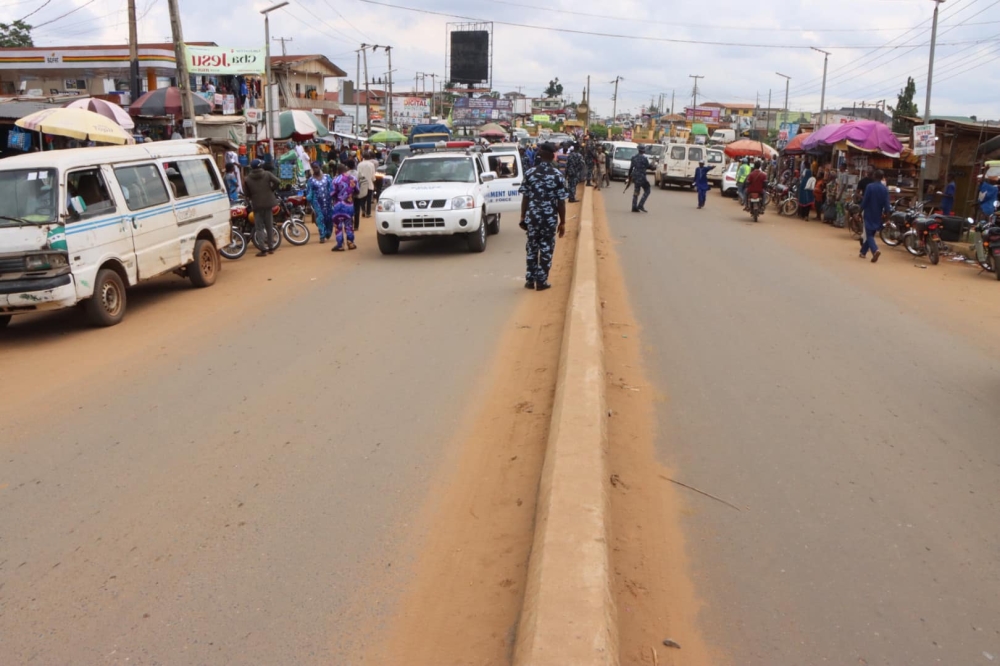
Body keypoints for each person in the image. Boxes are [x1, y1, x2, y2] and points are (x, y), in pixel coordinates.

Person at [518, 142, 568, 291]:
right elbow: (561, 202)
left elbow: (525, 198)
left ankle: (530, 280)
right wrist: (563, 222)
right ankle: (541, 281)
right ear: (553, 156)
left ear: (539, 155)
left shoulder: (530, 173)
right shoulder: (558, 175)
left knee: (532, 247)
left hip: (532, 217)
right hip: (549, 218)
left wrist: (522, 217)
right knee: (546, 248)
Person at [243, 158, 281, 257]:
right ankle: (271, 248)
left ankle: (263, 250)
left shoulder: (247, 179)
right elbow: (277, 181)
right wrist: (271, 190)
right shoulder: (267, 174)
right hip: (268, 203)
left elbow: (246, 193)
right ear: (260, 166)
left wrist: (252, 196)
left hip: (257, 204)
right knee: (269, 225)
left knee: (259, 228)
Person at [860, 169, 891, 263]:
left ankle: (875, 250)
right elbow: (887, 205)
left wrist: (859, 211)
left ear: (874, 176)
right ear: (882, 178)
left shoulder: (870, 187)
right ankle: (863, 252)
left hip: (869, 212)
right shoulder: (885, 189)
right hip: (878, 214)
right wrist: (887, 218)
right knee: (872, 233)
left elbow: (865, 201)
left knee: (869, 234)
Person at [331, 163, 359, 251]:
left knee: (338, 226)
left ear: (338, 171)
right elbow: (358, 191)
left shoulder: (335, 180)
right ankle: (350, 243)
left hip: (338, 206)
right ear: (346, 169)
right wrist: (350, 195)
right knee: (349, 224)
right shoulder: (353, 179)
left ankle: (340, 245)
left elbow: (332, 193)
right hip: (349, 205)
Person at [306, 161, 335, 243]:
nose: (315, 169)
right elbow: (309, 192)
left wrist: (334, 199)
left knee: (329, 217)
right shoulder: (311, 180)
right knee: (320, 217)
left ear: (320, 167)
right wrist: (308, 204)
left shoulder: (327, 177)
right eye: (313, 168)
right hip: (317, 202)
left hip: (328, 201)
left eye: (316, 167)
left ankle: (328, 232)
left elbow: (332, 188)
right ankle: (322, 235)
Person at [629, 145, 651, 213]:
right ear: (643, 151)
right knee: (647, 190)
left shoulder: (634, 157)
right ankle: (640, 205)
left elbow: (631, 168)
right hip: (641, 176)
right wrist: (653, 166)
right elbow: (648, 166)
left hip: (635, 176)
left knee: (636, 191)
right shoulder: (644, 158)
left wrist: (629, 176)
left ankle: (634, 206)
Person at [357, 153, 377, 217]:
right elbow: (373, 175)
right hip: (369, 184)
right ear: (369, 157)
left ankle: (363, 210)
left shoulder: (359, 164)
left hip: (362, 183)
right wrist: (374, 181)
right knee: (368, 199)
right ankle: (368, 213)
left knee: (362, 198)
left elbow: (358, 174)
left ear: (363, 157)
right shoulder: (371, 165)